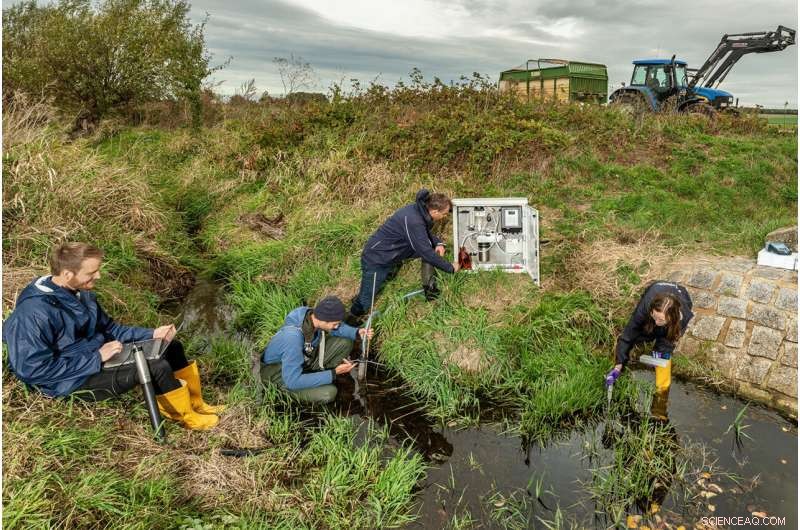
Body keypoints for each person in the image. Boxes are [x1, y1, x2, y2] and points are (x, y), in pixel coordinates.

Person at [3, 242, 223, 430]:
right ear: (68, 274)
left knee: (171, 347)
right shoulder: (33, 313)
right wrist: (97, 358)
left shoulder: (80, 293)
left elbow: (111, 330)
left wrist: (152, 334)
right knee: (155, 366)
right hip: (68, 381)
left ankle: (196, 403)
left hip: (96, 359)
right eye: (91, 272)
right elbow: (32, 370)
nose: (98, 275)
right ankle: (182, 416)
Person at [348, 189, 459, 323]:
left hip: (394, 251)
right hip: (377, 258)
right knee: (366, 298)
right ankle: (351, 320)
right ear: (435, 211)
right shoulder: (414, 220)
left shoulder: (418, 210)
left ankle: (430, 291)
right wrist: (450, 268)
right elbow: (425, 250)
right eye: (445, 214)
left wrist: (438, 242)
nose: (445, 217)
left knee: (431, 251)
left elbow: (422, 235)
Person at [260, 296, 372, 403]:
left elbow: (336, 328)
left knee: (345, 343)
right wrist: (333, 373)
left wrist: (357, 332)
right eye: (335, 324)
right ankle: (285, 392)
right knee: (329, 393)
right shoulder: (292, 339)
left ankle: (317, 376)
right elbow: (292, 381)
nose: (337, 326)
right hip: (279, 375)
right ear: (324, 320)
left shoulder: (312, 316)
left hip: (302, 361)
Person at [605, 281, 694, 393]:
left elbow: (668, 342)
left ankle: (662, 391)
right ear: (651, 310)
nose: (657, 322)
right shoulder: (646, 307)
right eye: (655, 317)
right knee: (642, 333)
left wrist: (661, 353)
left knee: (664, 349)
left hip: (681, 296)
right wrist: (618, 365)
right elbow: (627, 335)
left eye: (661, 319)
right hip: (656, 288)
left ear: (672, 318)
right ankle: (650, 332)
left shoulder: (681, 317)